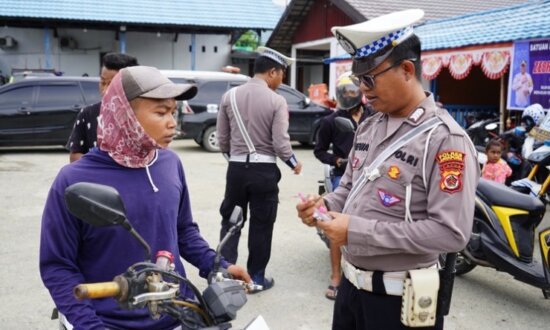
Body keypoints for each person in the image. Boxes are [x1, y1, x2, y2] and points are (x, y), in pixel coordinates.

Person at [296, 9, 479, 329]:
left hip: (399, 303)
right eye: (358, 79)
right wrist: (323, 207)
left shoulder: (445, 140)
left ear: (407, 70)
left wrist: (355, 230)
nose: (362, 89)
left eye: (369, 78)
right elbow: (349, 189)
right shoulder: (369, 127)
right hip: (351, 292)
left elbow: (451, 233)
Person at [40, 66, 251, 329]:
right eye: (161, 112)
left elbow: (182, 230)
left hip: (176, 312)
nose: (172, 122)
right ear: (124, 114)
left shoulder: (170, 164)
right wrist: (90, 325)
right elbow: (57, 266)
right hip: (105, 322)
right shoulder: (73, 180)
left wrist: (216, 265)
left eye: (172, 112)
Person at [216, 46, 303, 291]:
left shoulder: (228, 97)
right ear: (272, 72)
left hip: (235, 171)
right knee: (262, 226)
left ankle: (226, 275)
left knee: (231, 222)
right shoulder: (277, 101)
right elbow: (280, 143)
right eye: (282, 74)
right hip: (264, 172)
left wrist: (237, 157)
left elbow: (223, 140)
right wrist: (293, 162)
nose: (282, 79)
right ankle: (255, 278)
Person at [313, 71, 372, 300]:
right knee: (337, 219)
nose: (349, 94)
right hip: (343, 175)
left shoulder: (373, 115)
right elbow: (319, 150)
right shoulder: (330, 121)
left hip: (369, 173)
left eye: (352, 90)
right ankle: (336, 277)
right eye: (345, 91)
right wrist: (336, 160)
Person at [66, 52, 139, 162]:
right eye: (102, 82)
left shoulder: (141, 114)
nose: (105, 90)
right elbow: (75, 155)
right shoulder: (88, 114)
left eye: (112, 84)